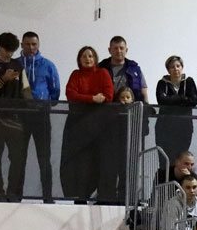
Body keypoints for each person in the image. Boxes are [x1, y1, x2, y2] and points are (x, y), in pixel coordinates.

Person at [0, 33, 32, 203]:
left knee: (17, 158)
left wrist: (32, 107)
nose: (9, 54)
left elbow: (26, 90)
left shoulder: (18, 65)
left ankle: (12, 192)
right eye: (6, 50)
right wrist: (4, 78)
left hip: (15, 117)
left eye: (12, 50)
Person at [61, 46, 114, 201]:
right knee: (80, 164)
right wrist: (92, 99)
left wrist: (86, 99)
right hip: (78, 126)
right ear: (79, 59)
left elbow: (108, 95)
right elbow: (70, 94)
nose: (87, 59)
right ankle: (80, 197)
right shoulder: (76, 74)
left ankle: (100, 196)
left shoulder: (103, 73)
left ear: (95, 58)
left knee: (98, 161)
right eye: (84, 56)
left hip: (99, 126)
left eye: (90, 56)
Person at [19, 31, 61, 203]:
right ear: (22, 45)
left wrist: (45, 103)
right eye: (27, 44)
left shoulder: (48, 65)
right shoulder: (16, 65)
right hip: (20, 115)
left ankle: (47, 197)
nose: (31, 47)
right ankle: (16, 196)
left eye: (34, 44)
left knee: (44, 158)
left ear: (38, 45)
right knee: (18, 158)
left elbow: (55, 91)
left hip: (41, 115)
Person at [155, 55, 197, 165]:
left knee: (181, 159)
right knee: (165, 161)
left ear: (182, 67)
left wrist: (171, 99)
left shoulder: (189, 82)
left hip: (184, 128)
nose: (176, 69)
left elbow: (193, 100)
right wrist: (183, 98)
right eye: (172, 67)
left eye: (178, 66)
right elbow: (162, 100)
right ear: (168, 69)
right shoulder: (162, 83)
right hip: (164, 128)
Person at [98, 35, 147, 103]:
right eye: (115, 48)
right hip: (107, 107)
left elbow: (143, 91)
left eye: (121, 48)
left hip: (132, 107)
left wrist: (146, 106)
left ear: (126, 50)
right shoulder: (101, 68)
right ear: (109, 50)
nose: (119, 51)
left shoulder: (134, 69)